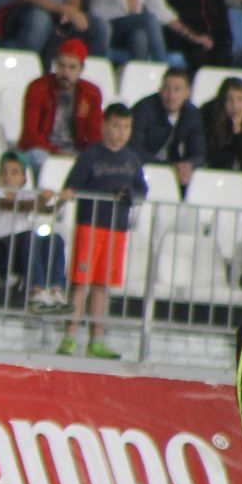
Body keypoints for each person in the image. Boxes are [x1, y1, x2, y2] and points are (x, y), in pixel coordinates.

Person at [56, 103, 146, 359]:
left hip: (116, 229)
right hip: (89, 226)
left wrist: (129, 195)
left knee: (101, 286)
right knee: (80, 283)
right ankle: (69, 335)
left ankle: (97, 338)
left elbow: (142, 190)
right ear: (104, 125)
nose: (120, 132)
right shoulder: (90, 156)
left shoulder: (132, 159)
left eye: (126, 127)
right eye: (116, 126)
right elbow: (72, 186)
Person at [0, 151, 68, 313]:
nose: (8, 177)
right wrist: (41, 200)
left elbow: (46, 209)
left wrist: (61, 201)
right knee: (29, 237)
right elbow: (13, 205)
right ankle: (36, 290)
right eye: (4, 172)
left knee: (55, 239)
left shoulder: (26, 195)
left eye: (14, 173)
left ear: (23, 178)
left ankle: (56, 290)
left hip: (20, 251)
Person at [19, 38, 103, 173]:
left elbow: (95, 135)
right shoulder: (37, 88)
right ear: (55, 65)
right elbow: (30, 134)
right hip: (44, 151)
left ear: (81, 69)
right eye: (61, 66)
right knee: (38, 157)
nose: (65, 73)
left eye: (72, 67)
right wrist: (57, 153)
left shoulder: (91, 93)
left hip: (76, 153)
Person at [129, 68, 205, 196]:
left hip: (176, 172)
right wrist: (171, 166)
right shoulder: (143, 109)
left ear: (187, 92)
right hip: (143, 170)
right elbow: (135, 150)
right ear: (160, 90)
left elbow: (199, 151)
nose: (171, 96)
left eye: (177, 90)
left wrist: (188, 165)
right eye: (167, 89)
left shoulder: (192, 114)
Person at [203, 76, 242, 170]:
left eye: (240, 99)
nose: (235, 106)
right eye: (229, 100)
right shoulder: (209, 117)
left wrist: (238, 133)